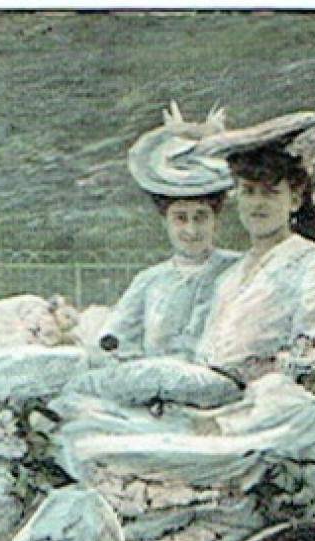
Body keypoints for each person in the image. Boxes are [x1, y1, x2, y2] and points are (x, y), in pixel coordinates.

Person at [191, 112, 315, 387]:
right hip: (215, 400)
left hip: (276, 404)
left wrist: (245, 378)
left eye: (271, 193)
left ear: (294, 200)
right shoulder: (228, 277)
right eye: (249, 191)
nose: (258, 204)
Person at [97, 105, 241, 361]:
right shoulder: (150, 281)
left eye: (201, 217)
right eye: (180, 218)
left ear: (215, 218)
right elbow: (114, 335)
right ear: (165, 221)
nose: (191, 230)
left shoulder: (237, 269)